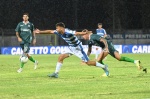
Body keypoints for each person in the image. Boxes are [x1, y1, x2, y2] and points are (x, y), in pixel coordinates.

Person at [35, 22, 109, 78]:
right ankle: (56, 73)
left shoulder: (68, 31)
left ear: (61, 28)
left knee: (88, 63)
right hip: (71, 48)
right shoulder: (58, 32)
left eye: (57, 28)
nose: (56, 29)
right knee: (61, 57)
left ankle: (104, 67)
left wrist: (85, 33)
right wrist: (40, 32)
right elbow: (50, 31)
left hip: (78, 48)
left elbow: (76, 33)